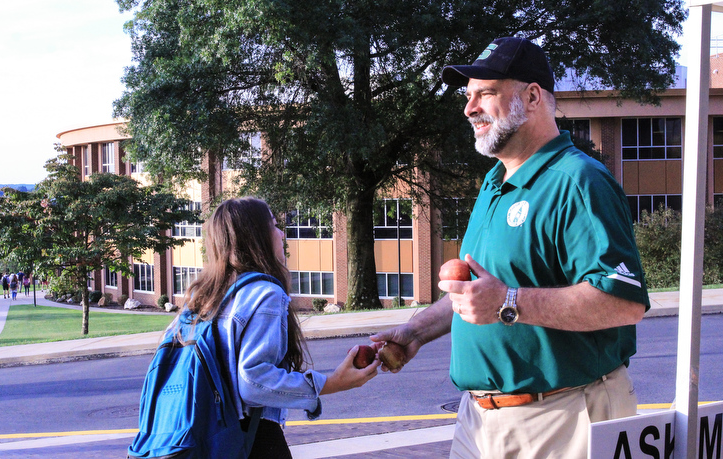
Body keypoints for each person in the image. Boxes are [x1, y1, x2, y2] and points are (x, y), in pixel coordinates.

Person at [371, 37, 650, 458]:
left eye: (485, 93)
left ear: (533, 96)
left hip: (560, 417)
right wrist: (416, 332)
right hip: (477, 420)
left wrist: (509, 302)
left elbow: (623, 303)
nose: (469, 108)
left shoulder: (578, 181)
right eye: (468, 96)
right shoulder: (494, 182)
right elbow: (482, 294)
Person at [181, 197, 378, 457]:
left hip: (204, 437)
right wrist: (331, 383)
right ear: (257, 236)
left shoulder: (203, 296)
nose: (281, 233)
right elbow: (252, 381)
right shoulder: (264, 293)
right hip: (251, 439)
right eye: (274, 225)